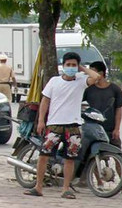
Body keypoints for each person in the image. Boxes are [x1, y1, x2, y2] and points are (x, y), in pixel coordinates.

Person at [28, 51, 88, 198]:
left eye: (74, 65)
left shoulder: (81, 81)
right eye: (68, 65)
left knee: (70, 159)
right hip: (54, 125)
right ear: (63, 65)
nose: (71, 67)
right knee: (44, 155)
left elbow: (97, 77)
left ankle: (65, 189)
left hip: (73, 126)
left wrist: (82, 69)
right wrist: (41, 120)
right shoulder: (54, 81)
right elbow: (45, 101)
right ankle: (38, 186)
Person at [85, 60, 122, 147]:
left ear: (101, 73)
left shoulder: (115, 89)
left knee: (117, 153)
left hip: (110, 129)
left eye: (92, 72)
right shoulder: (88, 89)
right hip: (93, 129)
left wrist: (117, 129)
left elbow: (118, 110)